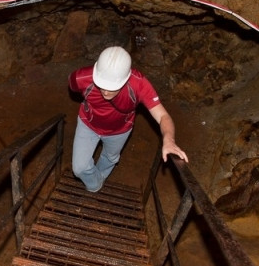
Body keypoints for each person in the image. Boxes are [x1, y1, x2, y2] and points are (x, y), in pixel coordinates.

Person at [69, 46, 188, 192]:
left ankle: (98, 178)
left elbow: (163, 116)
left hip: (119, 130)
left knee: (110, 157)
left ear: (125, 80)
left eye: (112, 87)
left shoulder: (139, 84)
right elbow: (72, 86)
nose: (105, 91)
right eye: (102, 85)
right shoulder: (81, 77)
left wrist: (169, 140)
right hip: (88, 124)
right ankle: (95, 185)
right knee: (79, 168)